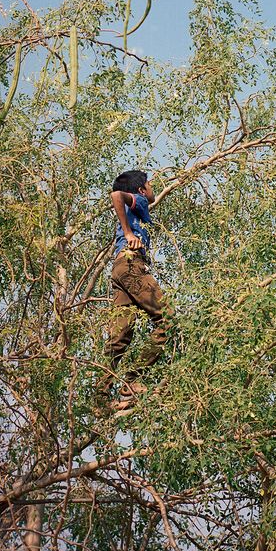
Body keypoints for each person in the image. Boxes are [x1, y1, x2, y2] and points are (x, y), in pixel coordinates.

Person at [99, 169, 169, 410]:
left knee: (119, 338)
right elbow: (117, 195)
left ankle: (99, 398)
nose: (152, 188)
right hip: (131, 265)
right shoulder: (137, 200)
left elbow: (152, 200)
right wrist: (129, 233)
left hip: (119, 270)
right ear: (140, 191)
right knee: (167, 319)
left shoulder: (140, 206)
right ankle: (131, 380)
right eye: (150, 185)